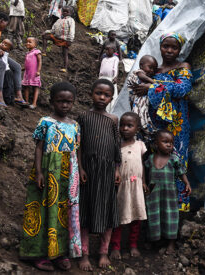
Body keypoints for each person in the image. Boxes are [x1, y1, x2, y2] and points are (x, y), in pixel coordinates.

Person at [19, 82, 82, 271]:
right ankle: (37, 253)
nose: (64, 105)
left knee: (63, 213)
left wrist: (80, 171)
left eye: (68, 102)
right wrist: (38, 172)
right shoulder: (45, 122)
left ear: (73, 103)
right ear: (52, 101)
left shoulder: (76, 125)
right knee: (43, 210)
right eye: (60, 101)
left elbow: (77, 151)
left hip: (69, 174)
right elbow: (38, 148)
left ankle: (58, 253)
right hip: (48, 171)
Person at [130, 32, 193, 211]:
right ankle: (150, 210)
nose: (169, 50)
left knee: (175, 164)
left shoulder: (183, 67)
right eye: (166, 46)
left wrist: (152, 86)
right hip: (152, 128)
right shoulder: (153, 70)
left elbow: (182, 89)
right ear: (160, 47)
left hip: (176, 127)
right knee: (153, 165)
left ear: (180, 49)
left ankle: (176, 211)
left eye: (174, 47)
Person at [78, 79, 121, 271]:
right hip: (88, 169)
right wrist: (80, 168)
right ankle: (84, 253)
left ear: (112, 98)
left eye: (106, 95)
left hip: (107, 171)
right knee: (85, 211)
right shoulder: (83, 117)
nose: (102, 98)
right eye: (98, 93)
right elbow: (77, 146)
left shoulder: (113, 120)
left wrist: (117, 169)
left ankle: (103, 251)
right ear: (91, 94)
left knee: (107, 210)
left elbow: (116, 146)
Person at [144, 129, 191, 253]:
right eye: (165, 142)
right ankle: (153, 239)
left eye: (171, 142)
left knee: (170, 216)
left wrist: (187, 183)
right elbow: (144, 172)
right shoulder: (150, 159)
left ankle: (171, 243)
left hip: (169, 194)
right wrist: (144, 183)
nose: (169, 145)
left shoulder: (173, 159)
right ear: (155, 144)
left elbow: (181, 172)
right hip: (154, 193)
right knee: (153, 215)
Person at [109, 112, 148, 260]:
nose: (125, 128)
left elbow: (142, 166)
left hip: (137, 186)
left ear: (137, 129)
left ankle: (133, 245)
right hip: (122, 188)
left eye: (129, 125)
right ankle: (115, 247)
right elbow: (114, 164)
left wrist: (143, 181)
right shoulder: (117, 145)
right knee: (120, 217)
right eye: (122, 125)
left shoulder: (140, 145)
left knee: (136, 218)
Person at [126, 55, 158, 146]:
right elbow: (142, 77)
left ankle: (146, 135)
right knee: (139, 117)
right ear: (141, 65)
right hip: (137, 101)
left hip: (141, 102)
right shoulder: (138, 73)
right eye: (150, 67)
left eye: (154, 69)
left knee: (143, 115)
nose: (152, 71)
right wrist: (154, 83)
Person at [42, 5, 75, 73]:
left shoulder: (71, 21)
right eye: (64, 11)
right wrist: (46, 32)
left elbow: (72, 31)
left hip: (65, 40)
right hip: (56, 38)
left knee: (65, 53)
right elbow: (53, 30)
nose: (65, 12)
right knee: (45, 37)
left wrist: (70, 40)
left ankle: (65, 67)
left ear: (71, 13)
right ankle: (44, 51)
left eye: (67, 11)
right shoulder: (59, 20)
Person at [98, 45, 119, 112]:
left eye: (108, 49)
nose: (106, 51)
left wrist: (115, 77)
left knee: (110, 93)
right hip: (102, 78)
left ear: (113, 51)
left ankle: (109, 110)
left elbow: (115, 68)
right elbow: (101, 70)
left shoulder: (115, 59)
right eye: (105, 50)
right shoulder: (104, 59)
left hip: (110, 79)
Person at [22, 37, 42, 110]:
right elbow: (27, 62)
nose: (27, 43)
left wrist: (38, 71)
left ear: (35, 44)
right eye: (27, 42)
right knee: (26, 86)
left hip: (34, 73)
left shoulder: (37, 51)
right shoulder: (27, 53)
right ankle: (26, 101)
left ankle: (34, 103)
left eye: (30, 42)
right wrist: (23, 68)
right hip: (27, 73)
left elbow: (40, 61)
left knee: (35, 87)